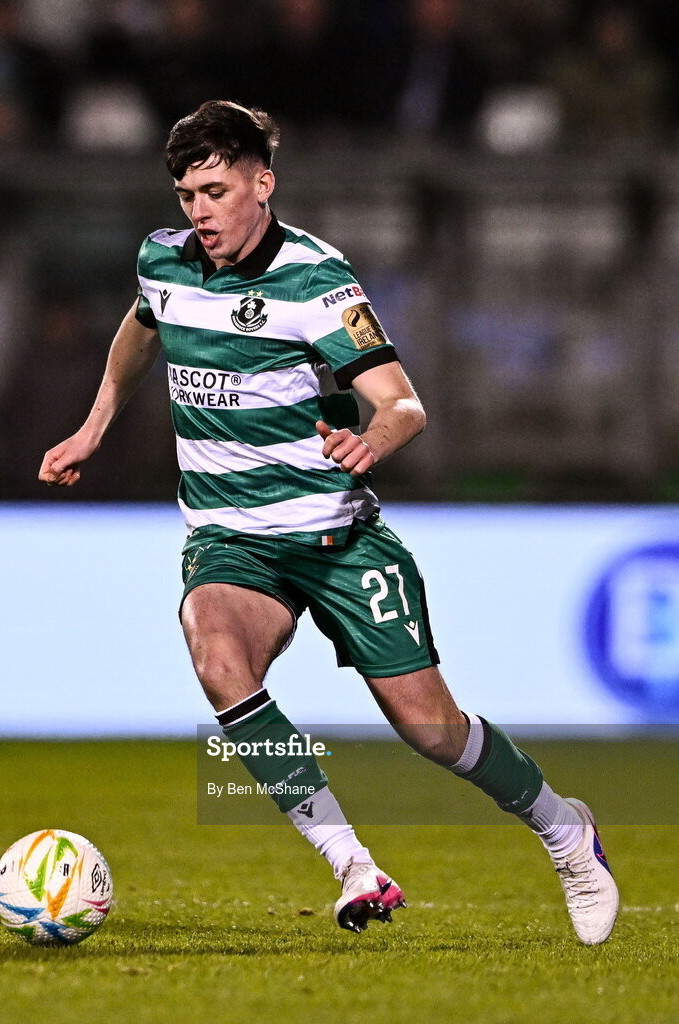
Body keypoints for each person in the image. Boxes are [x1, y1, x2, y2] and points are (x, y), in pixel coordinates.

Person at [39, 100, 619, 943]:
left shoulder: (319, 281)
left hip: (337, 538)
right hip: (233, 542)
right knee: (216, 653)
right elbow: (142, 326)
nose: (199, 213)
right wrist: (96, 424)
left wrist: (370, 440)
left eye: (215, 190)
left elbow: (403, 402)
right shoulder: (163, 263)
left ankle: (566, 830)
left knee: (432, 729)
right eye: (186, 196)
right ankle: (354, 865)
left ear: (261, 183)